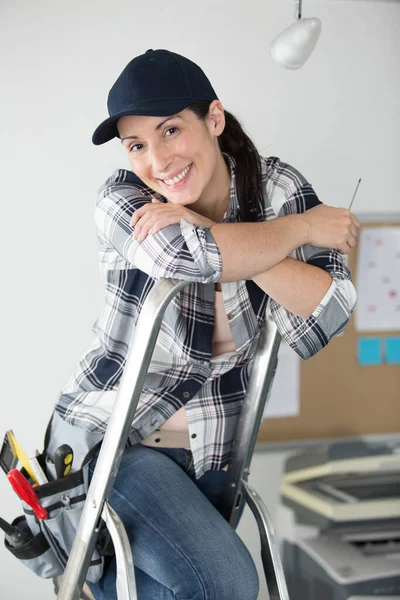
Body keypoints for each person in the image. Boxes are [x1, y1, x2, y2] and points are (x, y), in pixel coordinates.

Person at [53, 49, 359, 599]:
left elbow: (327, 314)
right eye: (138, 145)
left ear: (213, 120)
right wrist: (299, 230)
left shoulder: (276, 189)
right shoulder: (121, 200)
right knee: (228, 582)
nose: (159, 160)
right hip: (116, 443)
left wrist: (212, 226)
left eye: (171, 130)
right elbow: (181, 257)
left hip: (214, 452)